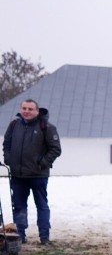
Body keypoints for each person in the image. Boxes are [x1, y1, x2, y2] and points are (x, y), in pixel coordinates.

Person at [2, 100, 62, 245]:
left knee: (41, 205)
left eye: (30, 109)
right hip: (18, 175)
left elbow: (55, 149)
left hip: (38, 175)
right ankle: (20, 236)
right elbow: (6, 144)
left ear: (37, 111)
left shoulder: (46, 127)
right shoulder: (14, 125)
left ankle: (44, 237)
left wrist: (42, 163)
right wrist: (9, 159)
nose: (26, 111)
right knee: (19, 206)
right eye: (24, 108)